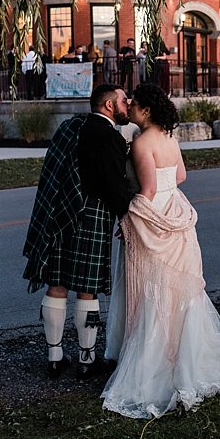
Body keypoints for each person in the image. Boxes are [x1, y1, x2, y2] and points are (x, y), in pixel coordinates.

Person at [102, 83, 220, 418]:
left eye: (136, 105)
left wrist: (129, 220)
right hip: (178, 214)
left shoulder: (142, 142)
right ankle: (184, 355)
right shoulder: (171, 138)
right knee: (180, 292)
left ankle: (157, 362)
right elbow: (181, 176)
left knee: (152, 289)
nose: (132, 109)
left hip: (154, 217)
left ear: (147, 110)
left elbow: (148, 190)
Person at [23, 83, 135, 378]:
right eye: (124, 100)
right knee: (87, 289)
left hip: (59, 215)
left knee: (57, 283)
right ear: (109, 105)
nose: (128, 104)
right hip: (93, 217)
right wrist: (128, 216)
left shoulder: (69, 127)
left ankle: (55, 356)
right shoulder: (109, 137)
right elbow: (115, 187)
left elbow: (52, 172)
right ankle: (87, 360)